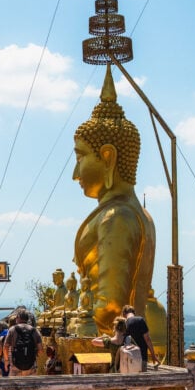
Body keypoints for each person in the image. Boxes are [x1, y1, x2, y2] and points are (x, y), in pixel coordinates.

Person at [72, 64, 165, 335]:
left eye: (80, 157)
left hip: (107, 343)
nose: (76, 173)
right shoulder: (135, 213)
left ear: (108, 157)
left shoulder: (117, 217)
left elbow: (111, 308)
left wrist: (70, 323)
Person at [3, 308, 43, 376]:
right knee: (31, 386)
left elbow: (5, 347)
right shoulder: (34, 330)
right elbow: (41, 350)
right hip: (31, 366)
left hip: (15, 366)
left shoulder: (12, 330)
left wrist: (6, 361)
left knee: (14, 386)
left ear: (18, 318)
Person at [121, 305, 158, 370]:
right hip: (141, 357)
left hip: (127, 360)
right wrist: (153, 355)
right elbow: (147, 339)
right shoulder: (140, 320)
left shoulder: (123, 324)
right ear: (134, 313)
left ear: (124, 314)